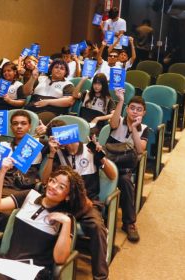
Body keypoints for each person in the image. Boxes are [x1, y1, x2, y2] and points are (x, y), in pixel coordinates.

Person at [0, 162, 90, 280]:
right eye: (53, 181)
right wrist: (2, 173)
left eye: (61, 187)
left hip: (35, 272)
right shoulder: (30, 195)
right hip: (9, 264)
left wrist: (66, 223)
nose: (53, 187)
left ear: (68, 196)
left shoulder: (66, 218)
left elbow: (60, 258)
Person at [41, 119, 116, 280]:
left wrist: (100, 156)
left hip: (89, 203)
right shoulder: (56, 153)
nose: (60, 140)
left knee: (96, 226)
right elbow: (44, 181)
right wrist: (52, 155)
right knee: (42, 218)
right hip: (64, 202)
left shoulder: (89, 149)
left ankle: (101, 276)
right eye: (55, 138)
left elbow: (112, 175)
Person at [108, 91, 149, 242]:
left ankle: (129, 223)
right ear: (127, 109)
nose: (135, 111)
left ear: (143, 113)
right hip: (108, 162)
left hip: (124, 166)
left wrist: (134, 129)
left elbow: (140, 150)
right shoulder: (118, 120)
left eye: (139, 109)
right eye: (132, 108)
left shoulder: (144, 128)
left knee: (125, 181)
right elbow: (112, 124)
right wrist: (120, 101)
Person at [0, 110, 41, 197]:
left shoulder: (38, 145)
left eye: (23, 123)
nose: (19, 126)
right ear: (11, 127)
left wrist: (48, 131)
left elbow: (59, 142)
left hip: (21, 192)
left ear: (29, 126)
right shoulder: (4, 145)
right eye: (15, 123)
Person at [23, 59, 81, 124]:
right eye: (56, 67)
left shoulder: (68, 84)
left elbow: (69, 101)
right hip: (31, 107)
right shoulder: (41, 78)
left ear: (65, 72)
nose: (58, 70)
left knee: (32, 121)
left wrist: (47, 102)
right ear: (51, 69)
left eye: (62, 68)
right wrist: (33, 78)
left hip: (52, 111)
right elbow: (26, 92)